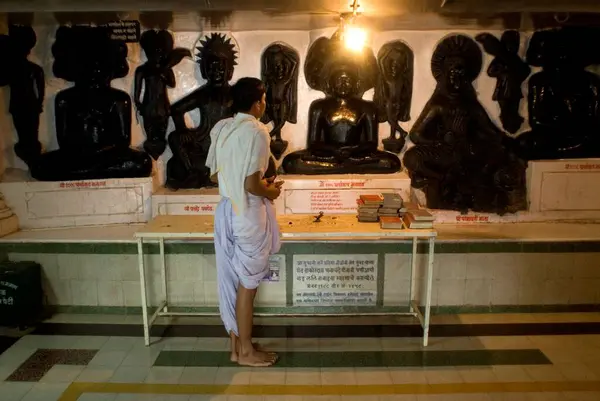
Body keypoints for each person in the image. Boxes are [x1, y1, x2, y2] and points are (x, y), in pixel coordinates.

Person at [205, 77, 283, 367]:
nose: (264, 105)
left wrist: (247, 180)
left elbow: (214, 176)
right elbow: (252, 184)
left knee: (232, 281)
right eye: (263, 100)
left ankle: (236, 347)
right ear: (256, 103)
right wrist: (271, 190)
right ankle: (247, 352)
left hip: (226, 210)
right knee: (247, 286)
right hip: (248, 213)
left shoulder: (221, 128)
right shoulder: (258, 131)